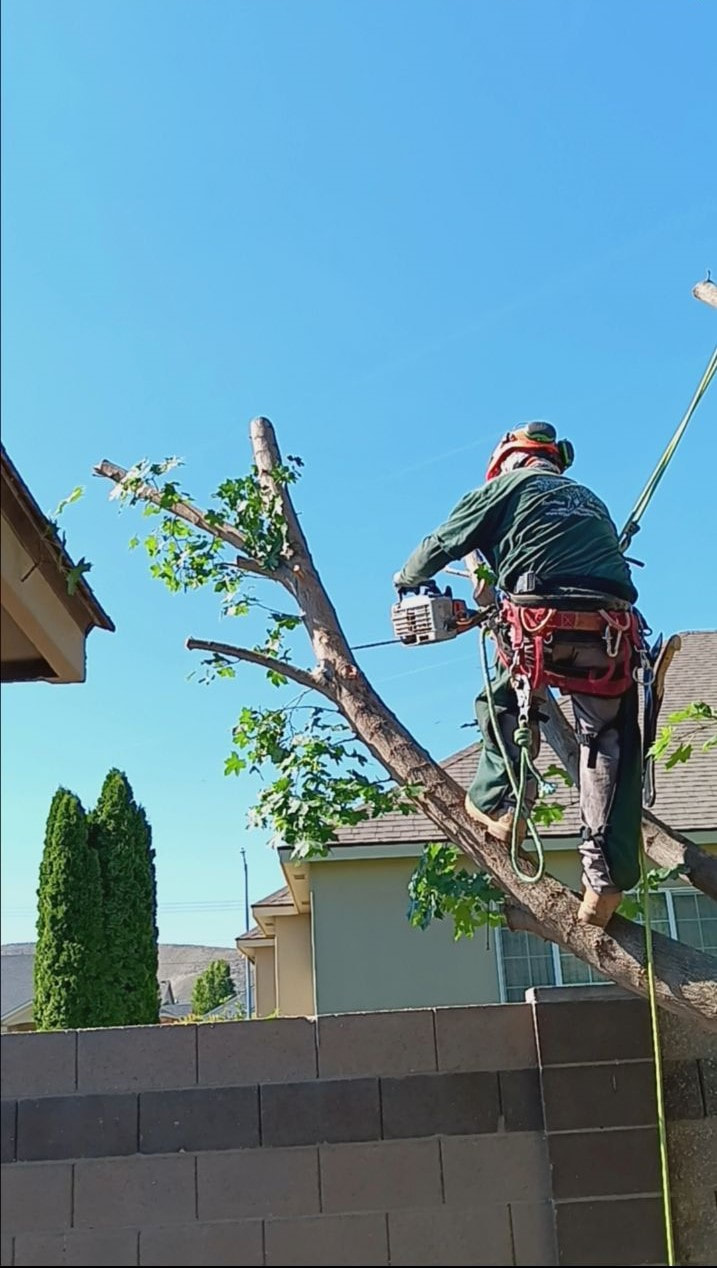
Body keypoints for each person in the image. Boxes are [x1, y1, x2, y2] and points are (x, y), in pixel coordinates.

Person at [394, 422, 643, 928]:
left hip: (539, 624)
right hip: (610, 632)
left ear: (510, 460)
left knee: (503, 704)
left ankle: (502, 806)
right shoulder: (590, 499)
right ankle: (606, 879)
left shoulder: (504, 488)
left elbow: (440, 542)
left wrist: (406, 581)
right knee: (609, 743)